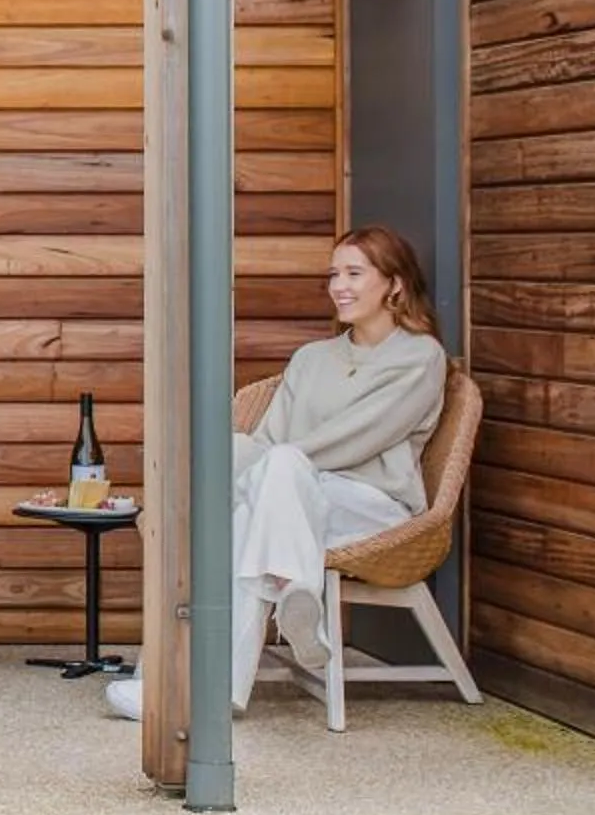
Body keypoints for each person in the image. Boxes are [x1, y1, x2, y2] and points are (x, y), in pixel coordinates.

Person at [107, 226, 448, 723]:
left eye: (354, 273)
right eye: (334, 274)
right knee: (241, 512)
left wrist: (265, 467)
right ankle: (289, 593)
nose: (339, 286)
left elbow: (361, 438)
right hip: (289, 506)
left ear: (394, 285)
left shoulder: (420, 357)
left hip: (371, 507)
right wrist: (204, 477)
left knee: (270, 482)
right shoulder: (312, 359)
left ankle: (170, 684)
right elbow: (266, 442)